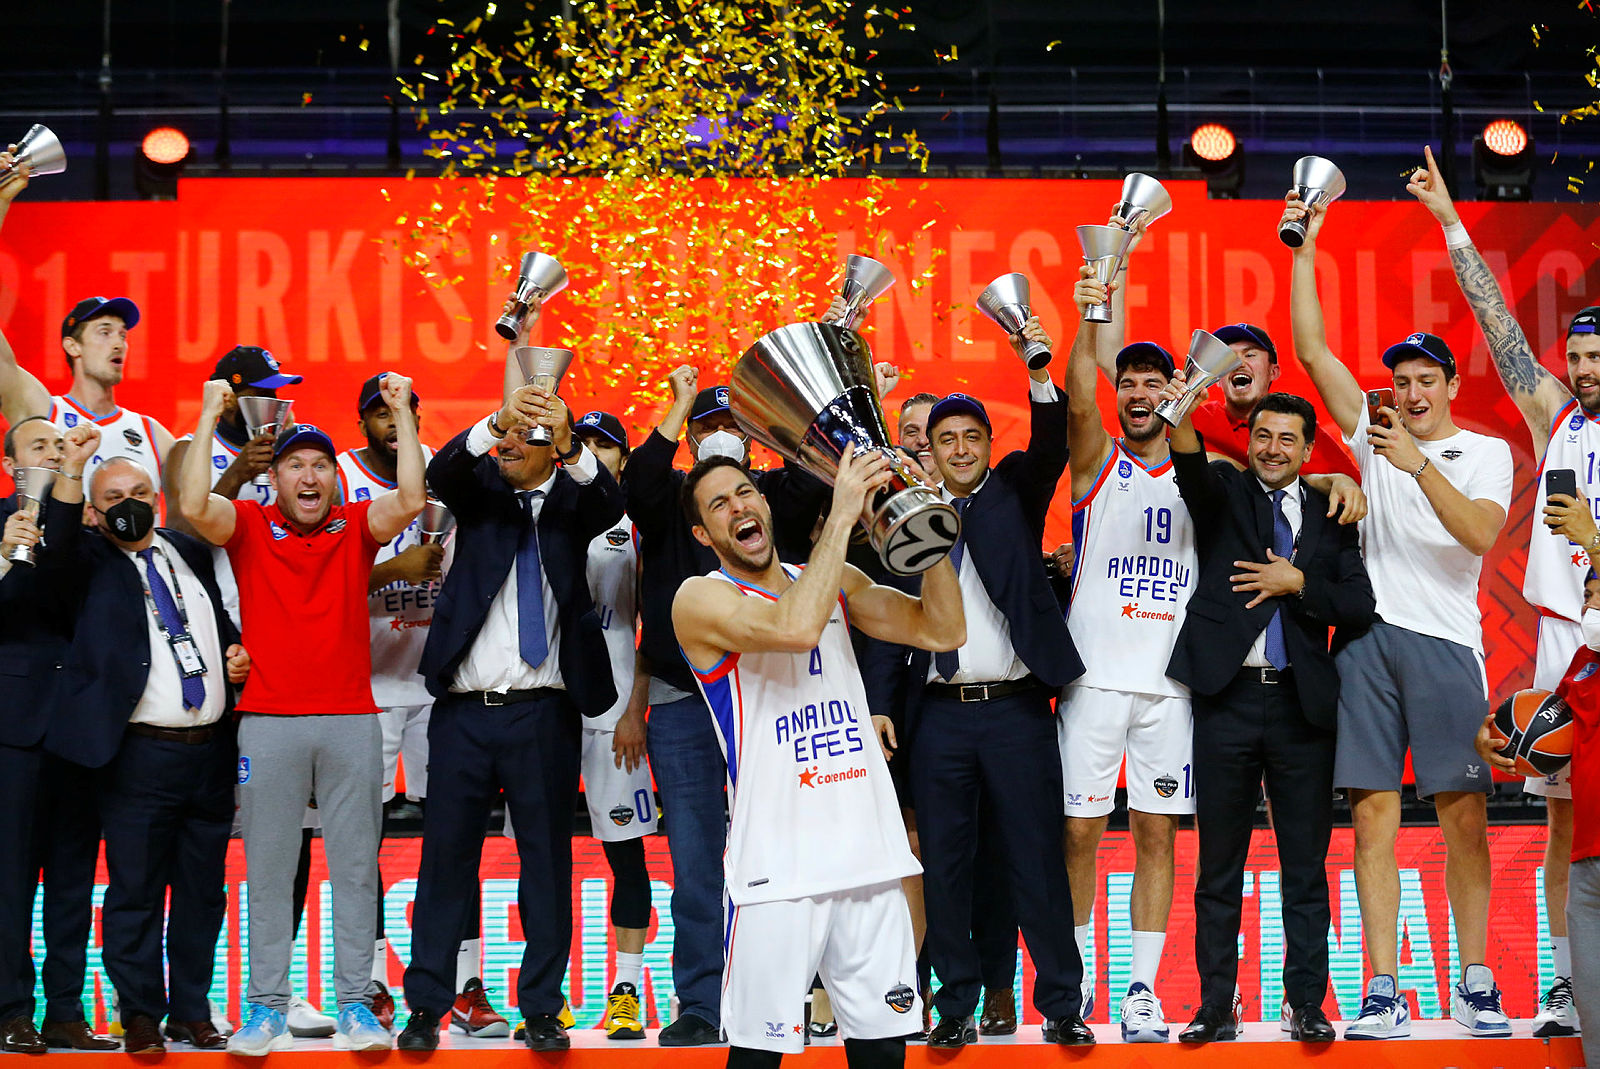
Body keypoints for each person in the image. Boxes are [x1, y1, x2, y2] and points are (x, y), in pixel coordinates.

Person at [1285, 188, 1515, 1039]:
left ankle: (1476, 980)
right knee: (1372, 816)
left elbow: (1480, 534)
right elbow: (1311, 350)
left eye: (1425, 380)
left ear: (1451, 384)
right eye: (1401, 381)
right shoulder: (1371, 431)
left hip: (1447, 644)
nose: (1411, 392)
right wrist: (1305, 247)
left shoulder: (1481, 451)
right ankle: (1383, 986)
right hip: (1366, 643)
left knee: (1463, 816)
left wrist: (1416, 462)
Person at [674, 445, 964, 1069]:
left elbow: (943, 631)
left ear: (764, 502)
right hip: (777, 868)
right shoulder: (699, 599)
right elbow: (794, 629)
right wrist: (842, 514)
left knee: (882, 1052)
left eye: (744, 492)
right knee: (757, 1059)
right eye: (719, 504)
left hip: (865, 853)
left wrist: (928, 524)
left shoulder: (836, 580)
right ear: (703, 534)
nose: (738, 507)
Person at [178, 374, 426, 1055]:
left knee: (355, 869)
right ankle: (264, 1009)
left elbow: (411, 496)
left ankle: (357, 1006)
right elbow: (192, 503)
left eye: (320, 464)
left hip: (351, 720)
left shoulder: (355, 528)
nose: (309, 476)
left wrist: (401, 412)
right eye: (295, 466)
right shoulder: (250, 526)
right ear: (275, 479)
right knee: (268, 869)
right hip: (267, 722)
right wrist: (208, 414)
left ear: (334, 480)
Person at [1408, 142, 1585, 1038]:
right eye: (1578, 356)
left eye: (1599, 357)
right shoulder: (1557, 417)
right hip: (1566, 641)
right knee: (1566, 825)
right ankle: (1567, 982)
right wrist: (1450, 222)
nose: (1586, 369)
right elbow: (1497, 324)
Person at [393, 379, 624, 1053]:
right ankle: (426, 1007)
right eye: (506, 434)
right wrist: (496, 418)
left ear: (553, 447)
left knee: (547, 865)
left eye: (528, 433)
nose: (511, 443)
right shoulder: (479, 494)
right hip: (463, 715)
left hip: (543, 713)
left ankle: (543, 1008)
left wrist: (573, 442)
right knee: (444, 863)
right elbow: (442, 472)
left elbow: (611, 501)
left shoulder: (573, 507)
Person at [1159, 383, 1375, 1043]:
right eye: (1262, 436)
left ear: (1308, 451)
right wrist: (1185, 401)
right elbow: (1188, 460)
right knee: (1218, 866)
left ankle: (1304, 1002)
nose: (1273, 448)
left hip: (1301, 705)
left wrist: (1299, 583)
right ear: (1248, 441)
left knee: (1305, 866)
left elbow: (1358, 604)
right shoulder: (1225, 493)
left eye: (1287, 439)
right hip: (1225, 698)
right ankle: (1215, 1005)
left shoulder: (1331, 513)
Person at [621, 367, 827, 1045]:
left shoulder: (764, 500)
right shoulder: (673, 502)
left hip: (767, 693)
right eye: (704, 428)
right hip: (683, 701)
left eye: (729, 427)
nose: (717, 438)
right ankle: (703, 1004)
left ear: (751, 438)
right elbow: (638, 482)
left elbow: (812, 479)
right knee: (695, 860)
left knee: (783, 849)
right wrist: (677, 404)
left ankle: (784, 999)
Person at [909, 322, 1092, 1049]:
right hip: (937, 715)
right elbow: (889, 616)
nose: (959, 449)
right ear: (930, 448)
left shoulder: (1013, 489)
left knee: (1036, 859)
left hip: (1016, 711)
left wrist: (1036, 368)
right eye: (945, 439)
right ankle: (954, 1005)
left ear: (989, 444)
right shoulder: (907, 511)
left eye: (971, 437)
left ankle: (1063, 1004)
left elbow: (1050, 443)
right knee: (946, 867)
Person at [36, 446, 252, 1054]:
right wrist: (72, 473)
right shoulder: (85, 560)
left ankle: (191, 1010)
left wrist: (234, 654)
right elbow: (55, 548)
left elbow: (214, 623)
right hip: (138, 755)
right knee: (135, 892)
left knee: (203, 893)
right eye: (113, 498)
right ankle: (139, 1013)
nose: (128, 506)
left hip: (210, 751)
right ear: (93, 512)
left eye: (138, 494)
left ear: (157, 499)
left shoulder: (189, 550)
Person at [1059, 266, 1201, 1042]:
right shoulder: (1096, 462)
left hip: (1169, 686)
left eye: (1154, 381)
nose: (1140, 392)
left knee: (1156, 834)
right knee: (1080, 833)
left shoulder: (1201, 475)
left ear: (1171, 392)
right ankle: (1075, 980)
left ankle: (1142, 990)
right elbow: (1079, 393)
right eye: (1131, 381)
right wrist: (1096, 303)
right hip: (1094, 681)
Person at [1479, 500, 1599, 1069]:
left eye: (1598, 593)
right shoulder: (1583, 663)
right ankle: (1567, 986)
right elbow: (1545, 725)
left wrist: (1592, 542)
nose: (1590, 603)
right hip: (1587, 864)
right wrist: (1497, 740)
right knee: (1596, 1031)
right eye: (1589, 594)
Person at [0, 421, 108, 1054]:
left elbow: (62, 557)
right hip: (13, 728)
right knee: (10, 880)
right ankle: (11, 1010)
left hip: (79, 728)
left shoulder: (84, 530)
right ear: (10, 465)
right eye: (38, 446)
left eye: (57, 444)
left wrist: (72, 474)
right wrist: (2, 556)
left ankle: (66, 1010)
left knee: (72, 882)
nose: (52, 451)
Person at [571, 408, 657, 1040]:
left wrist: (635, 708)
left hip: (614, 714)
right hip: (548, 709)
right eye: (585, 444)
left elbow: (657, 622)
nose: (596, 453)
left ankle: (626, 992)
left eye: (607, 446)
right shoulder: (544, 516)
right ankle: (546, 991)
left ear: (624, 460)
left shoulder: (638, 525)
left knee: (626, 858)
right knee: (541, 857)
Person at [164, 345, 301, 624]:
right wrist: (235, 475)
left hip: (288, 610)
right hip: (225, 617)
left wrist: (294, 457)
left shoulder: (291, 452)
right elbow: (177, 539)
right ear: (227, 399)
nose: (271, 403)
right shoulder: (189, 451)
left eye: (274, 394)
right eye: (260, 394)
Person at [0, 304, 175, 491]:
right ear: (73, 346)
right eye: (105, 333)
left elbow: (193, 495)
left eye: (122, 335)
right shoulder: (45, 413)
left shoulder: (150, 432)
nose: (118, 344)